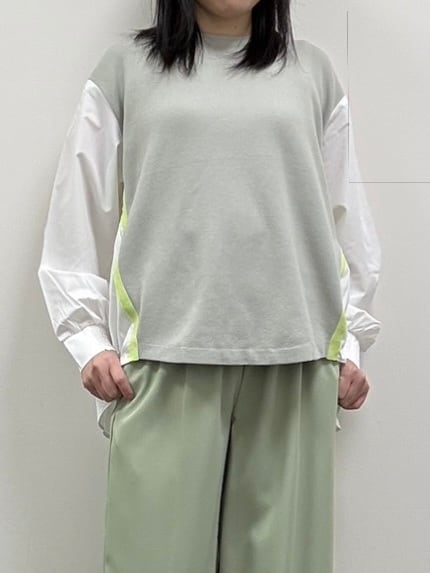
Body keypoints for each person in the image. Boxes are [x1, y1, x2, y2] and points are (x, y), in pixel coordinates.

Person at [37, 1, 382, 571]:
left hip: (295, 362)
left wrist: (349, 344)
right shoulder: (126, 69)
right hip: (162, 358)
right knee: (152, 558)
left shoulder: (313, 73)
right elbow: (79, 203)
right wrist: (87, 338)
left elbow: (345, 217)